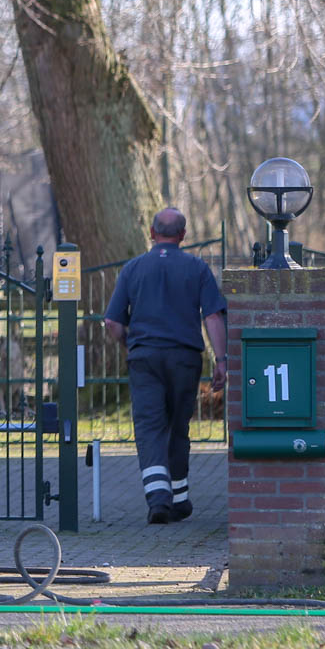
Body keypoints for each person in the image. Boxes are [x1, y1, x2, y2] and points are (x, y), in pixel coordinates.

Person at [102, 207, 228, 525]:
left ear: (152, 233)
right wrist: (221, 360)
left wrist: (130, 344)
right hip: (184, 358)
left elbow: (112, 322)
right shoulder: (197, 268)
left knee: (149, 426)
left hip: (145, 357)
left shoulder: (132, 269)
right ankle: (180, 499)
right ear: (183, 235)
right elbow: (213, 316)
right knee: (177, 426)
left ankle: (159, 499)